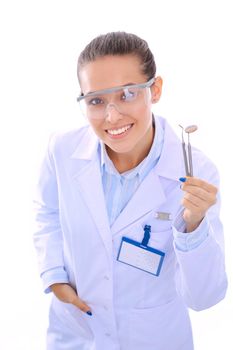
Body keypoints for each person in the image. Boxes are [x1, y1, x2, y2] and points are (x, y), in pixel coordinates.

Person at [33, 31, 228, 350]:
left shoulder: (196, 172)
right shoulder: (63, 149)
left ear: (156, 89)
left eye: (126, 94)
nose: (112, 117)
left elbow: (205, 297)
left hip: (154, 338)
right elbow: (47, 214)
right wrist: (54, 277)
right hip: (77, 335)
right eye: (96, 100)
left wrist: (193, 227)